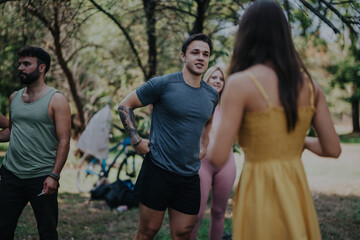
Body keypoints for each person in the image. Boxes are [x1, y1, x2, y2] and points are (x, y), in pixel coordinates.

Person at [208, 1, 341, 239]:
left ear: (246, 35)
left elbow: (218, 155)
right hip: (295, 186)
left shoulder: (239, 84)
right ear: (284, 34)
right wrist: (301, 141)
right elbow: (333, 149)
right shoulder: (311, 87)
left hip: (260, 187)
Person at [118, 33, 218, 240]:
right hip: (158, 170)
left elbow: (207, 120)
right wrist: (136, 140)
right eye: (195, 52)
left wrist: (204, 145)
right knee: (148, 232)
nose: (201, 58)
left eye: (206, 54)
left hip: (189, 175)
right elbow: (125, 105)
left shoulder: (211, 94)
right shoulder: (163, 84)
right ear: (183, 56)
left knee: (182, 233)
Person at [0, 46, 71, 239]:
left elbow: (64, 140)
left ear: (41, 68)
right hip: (11, 174)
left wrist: (54, 176)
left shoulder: (57, 100)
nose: (20, 68)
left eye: (26, 64)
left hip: (41, 177)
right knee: (3, 228)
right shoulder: (14, 97)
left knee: (47, 232)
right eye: (19, 63)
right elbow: (12, 132)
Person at [190, 66, 236, 240]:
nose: (217, 81)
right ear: (206, 79)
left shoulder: (230, 107)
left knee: (219, 212)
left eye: (221, 79)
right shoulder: (197, 104)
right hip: (202, 164)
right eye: (214, 77)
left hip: (226, 164)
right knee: (197, 213)